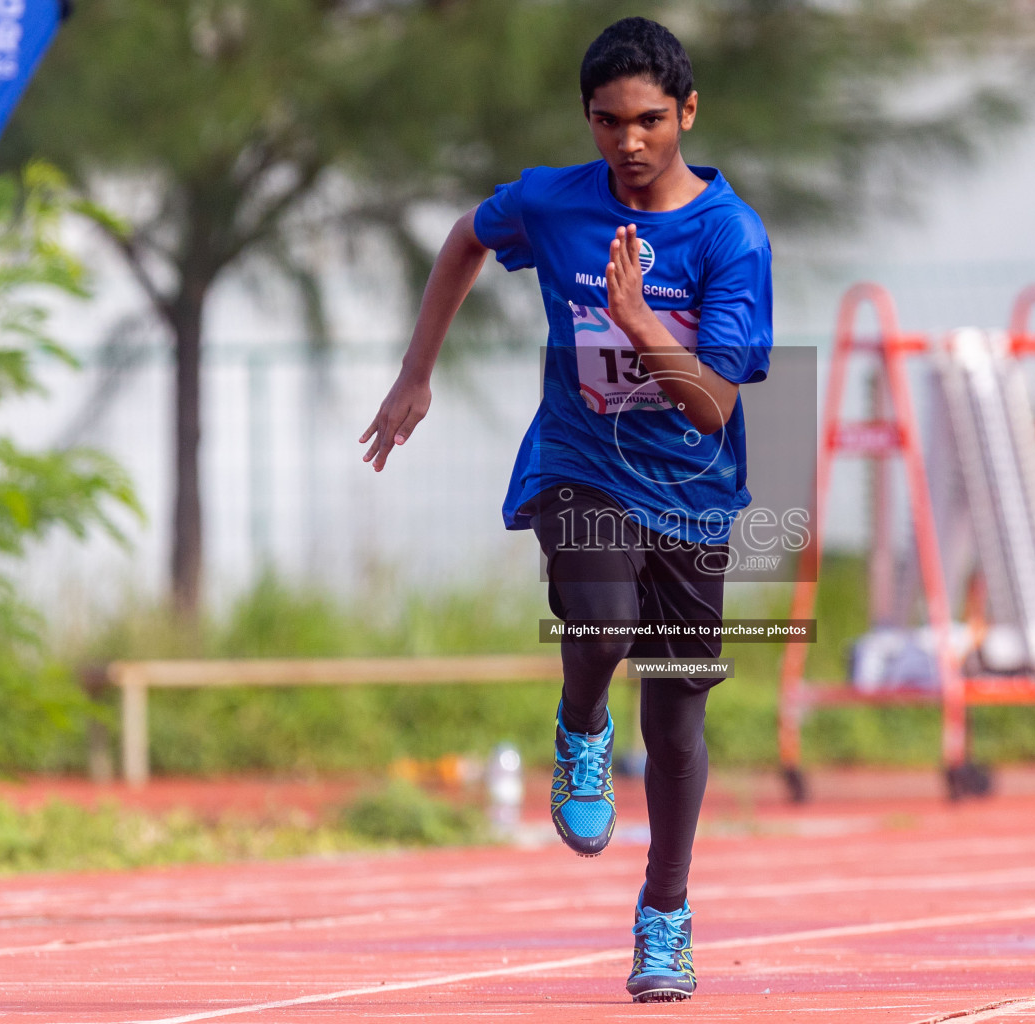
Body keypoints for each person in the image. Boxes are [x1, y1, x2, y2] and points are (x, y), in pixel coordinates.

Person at [360, 16, 772, 1004]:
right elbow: (466, 236)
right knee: (600, 622)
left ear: (686, 113)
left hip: (692, 490)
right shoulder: (552, 201)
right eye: (605, 122)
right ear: (586, 119)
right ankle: (579, 722)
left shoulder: (728, 236)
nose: (627, 143)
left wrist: (638, 321)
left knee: (675, 716)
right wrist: (416, 374)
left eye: (647, 121)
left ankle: (663, 913)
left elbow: (713, 402)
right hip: (581, 462)